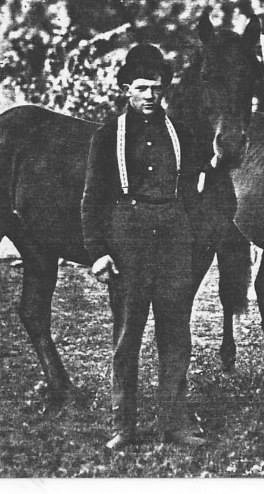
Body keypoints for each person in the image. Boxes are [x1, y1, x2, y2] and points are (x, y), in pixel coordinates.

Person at [81, 43, 205, 450]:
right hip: (128, 242)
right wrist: (98, 252)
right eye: (141, 88)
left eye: (156, 87)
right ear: (126, 90)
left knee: (176, 334)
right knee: (127, 336)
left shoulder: (180, 133)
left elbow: (192, 190)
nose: (150, 95)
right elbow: (92, 198)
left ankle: (175, 423)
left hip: (173, 238)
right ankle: (124, 425)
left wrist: (190, 238)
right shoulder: (108, 136)